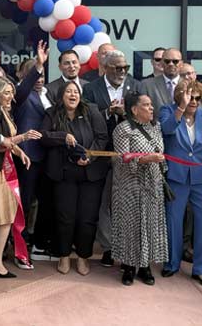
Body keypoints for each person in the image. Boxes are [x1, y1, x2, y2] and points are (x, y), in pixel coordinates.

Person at [39, 80, 109, 276]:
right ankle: (63, 255)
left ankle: (83, 257)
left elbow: (102, 137)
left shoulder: (91, 111)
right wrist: (62, 136)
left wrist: (90, 156)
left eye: (75, 91)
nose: (73, 95)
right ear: (61, 96)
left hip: (90, 174)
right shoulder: (52, 113)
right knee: (65, 216)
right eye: (68, 91)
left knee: (87, 218)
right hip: (64, 174)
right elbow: (42, 136)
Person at [160, 82, 202, 286]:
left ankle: (201, 268)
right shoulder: (167, 111)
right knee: (174, 221)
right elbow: (166, 130)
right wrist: (180, 108)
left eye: (197, 98)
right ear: (180, 96)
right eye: (190, 97)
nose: (193, 101)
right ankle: (172, 264)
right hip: (177, 177)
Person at [82, 49, 139, 268]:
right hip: (102, 156)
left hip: (129, 157)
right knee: (104, 205)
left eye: (125, 67)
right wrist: (108, 112)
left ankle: (126, 249)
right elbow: (86, 117)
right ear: (105, 67)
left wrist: (124, 113)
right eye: (117, 67)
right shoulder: (90, 88)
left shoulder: (136, 86)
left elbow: (144, 118)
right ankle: (108, 247)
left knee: (126, 205)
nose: (122, 71)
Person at [107, 92, 168, 286]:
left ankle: (145, 267)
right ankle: (128, 266)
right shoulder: (122, 129)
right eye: (146, 105)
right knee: (129, 226)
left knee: (150, 224)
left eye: (152, 105)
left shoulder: (156, 127)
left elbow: (160, 152)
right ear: (134, 109)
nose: (151, 108)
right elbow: (122, 158)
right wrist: (145, 159)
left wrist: (157, 161)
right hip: (129, 186)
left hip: (152, 184)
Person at [0, 77, 39, 278]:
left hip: (5, 169)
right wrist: (22, 138)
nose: (10, 97)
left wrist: (19, 151)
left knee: (0, 217)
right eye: (6, 92)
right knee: (3, 217)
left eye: (11, 92)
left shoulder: (4, 111)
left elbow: (8, 143)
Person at [13, 47, 50, 263]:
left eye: (42, 74)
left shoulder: (47, 95)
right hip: (27, 155)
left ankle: (36, 241)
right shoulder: (20, 94)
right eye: (35, 74)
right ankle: (20, 245)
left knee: (40, 203)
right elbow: (25, 88)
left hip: (46, 157)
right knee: (25, 203)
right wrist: (37, 66)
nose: (39, 78)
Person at [139, 46, 181, 112]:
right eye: (167, 61)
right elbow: (141, 112)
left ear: (181, 63)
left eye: (175, 61)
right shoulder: (147, 85)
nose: (171, 64)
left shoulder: (189, 85)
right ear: (162, 63)